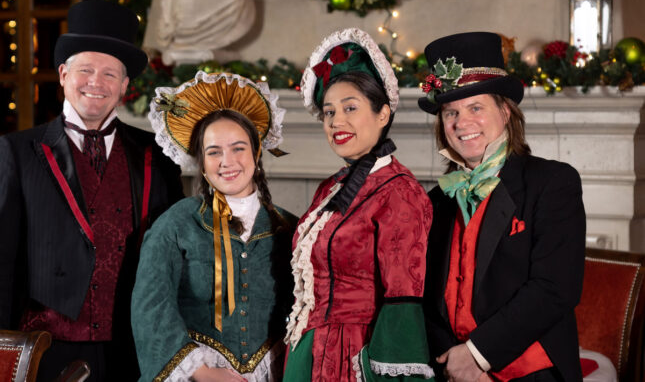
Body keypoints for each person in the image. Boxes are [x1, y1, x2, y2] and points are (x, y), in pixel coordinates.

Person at [0, 0, 183, 381]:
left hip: (132, 346)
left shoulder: (158, 155)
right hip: (46, 348)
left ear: (125, 86)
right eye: (85, 70)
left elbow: (173, 256)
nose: (96, 83)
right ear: (64, 73)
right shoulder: (16, 152)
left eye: (109, 74)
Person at [418, 32, 586, 382]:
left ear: (506, 112)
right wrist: (453, 364)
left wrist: (477, 357)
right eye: (451, 112)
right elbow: (425, 301)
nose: (461, 123)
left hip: (532, 372)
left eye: (475, 108)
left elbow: (555, 289)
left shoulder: (553, 183)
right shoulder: (434, 201)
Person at [283, 28, 435, 382]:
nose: (337, 121)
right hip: (307, 350)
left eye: (350, 108)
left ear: (383, 113)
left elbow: (403, 298)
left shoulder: (401, 193)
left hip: (352, 358)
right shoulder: (331, 186)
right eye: (329, 112)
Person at [132, 70, 297, 381]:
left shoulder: (289, 227)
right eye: (213, 152)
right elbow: (151, 309)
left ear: (256, 152)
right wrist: (203, 372)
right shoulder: (176, 224)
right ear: (201, 161)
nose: (227, 161)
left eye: (238, 148)